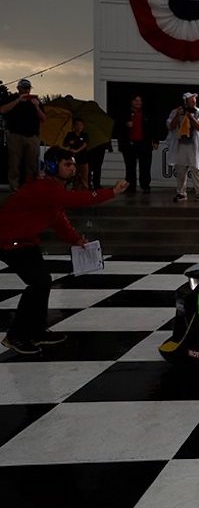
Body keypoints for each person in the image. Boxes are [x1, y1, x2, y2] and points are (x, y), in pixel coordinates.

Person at [0, 147, 128, 355]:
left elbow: (58, 217)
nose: (73, 169)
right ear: (52, 166)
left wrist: (74, 239)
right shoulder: (44, 187)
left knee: (42, 282)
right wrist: (111, 192)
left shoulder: (52, 190)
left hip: (25, 241)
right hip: (9, 241)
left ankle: (36, 331)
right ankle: (15, 336)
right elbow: (76, 200)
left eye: (73, 164)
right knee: (39, 283)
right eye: (67, 164)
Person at [0, 79, 46, 190]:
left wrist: (36, 107)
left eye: (28, 88)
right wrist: (18, 100)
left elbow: (44, 119)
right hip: (15, 135)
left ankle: (29, 187)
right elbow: (2, 110)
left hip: (32, 136)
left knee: (32, 163)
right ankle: (14, 187)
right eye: (24, 88)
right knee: (14, 162)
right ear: (18, 88)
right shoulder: (12, 98)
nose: (26, 91)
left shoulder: (35, 101)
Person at [166, 92, 199, 202]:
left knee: (196, 169)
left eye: (195, 102)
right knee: (180, 170)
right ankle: (181, 193)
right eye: (191, 102)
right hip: (180, 145)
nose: (194, 104)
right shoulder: (176, 111)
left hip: (193, 146)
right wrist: (178, 115)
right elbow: (170, 126)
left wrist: (190, 117)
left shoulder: (198, 112)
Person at [115, 94, 159, 193]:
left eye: (140, 101)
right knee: (130, 167)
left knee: (145, 167)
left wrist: (155, 141)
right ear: (131, 101)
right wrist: (126, 125)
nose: (138, 103)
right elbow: (118, 129)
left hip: (144, 144)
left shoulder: (146, 114)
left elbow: (153, 127)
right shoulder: (124, 114)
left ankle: (145, 185)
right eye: (136, 100)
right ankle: (130, 187)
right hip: (129, 145)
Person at [61, 117, 89, 191]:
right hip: (73, 160)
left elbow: (85, 144)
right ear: (74, 126)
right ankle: (75, 192)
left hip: (83, 159)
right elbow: (65, 145)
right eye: (77, 125)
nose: (79, 126)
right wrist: (70, 146)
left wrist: (76, 150)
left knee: (84, 178)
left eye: (81, 125)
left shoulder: (85, 135)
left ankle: (86, 193)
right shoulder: (70, 135)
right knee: (74, 177)